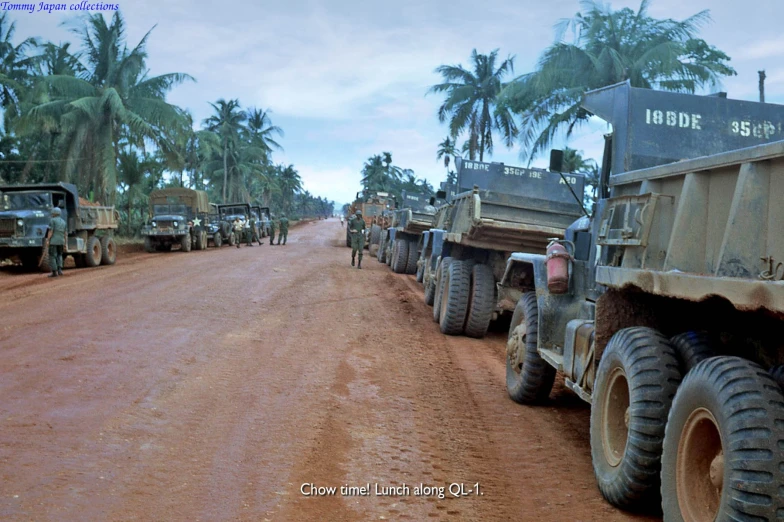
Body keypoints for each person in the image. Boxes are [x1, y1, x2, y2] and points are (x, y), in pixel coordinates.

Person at [46, 207, 67, 277]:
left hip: (53, 242)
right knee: (59, 255)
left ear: (54, 213)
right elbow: (65, 234)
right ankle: (60, 270)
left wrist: (48, 240)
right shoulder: (64, 222)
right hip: (61, 241)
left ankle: (54, 272)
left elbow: (51, 231)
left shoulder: (52, 220)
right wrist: (65, 243)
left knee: (52, 256)